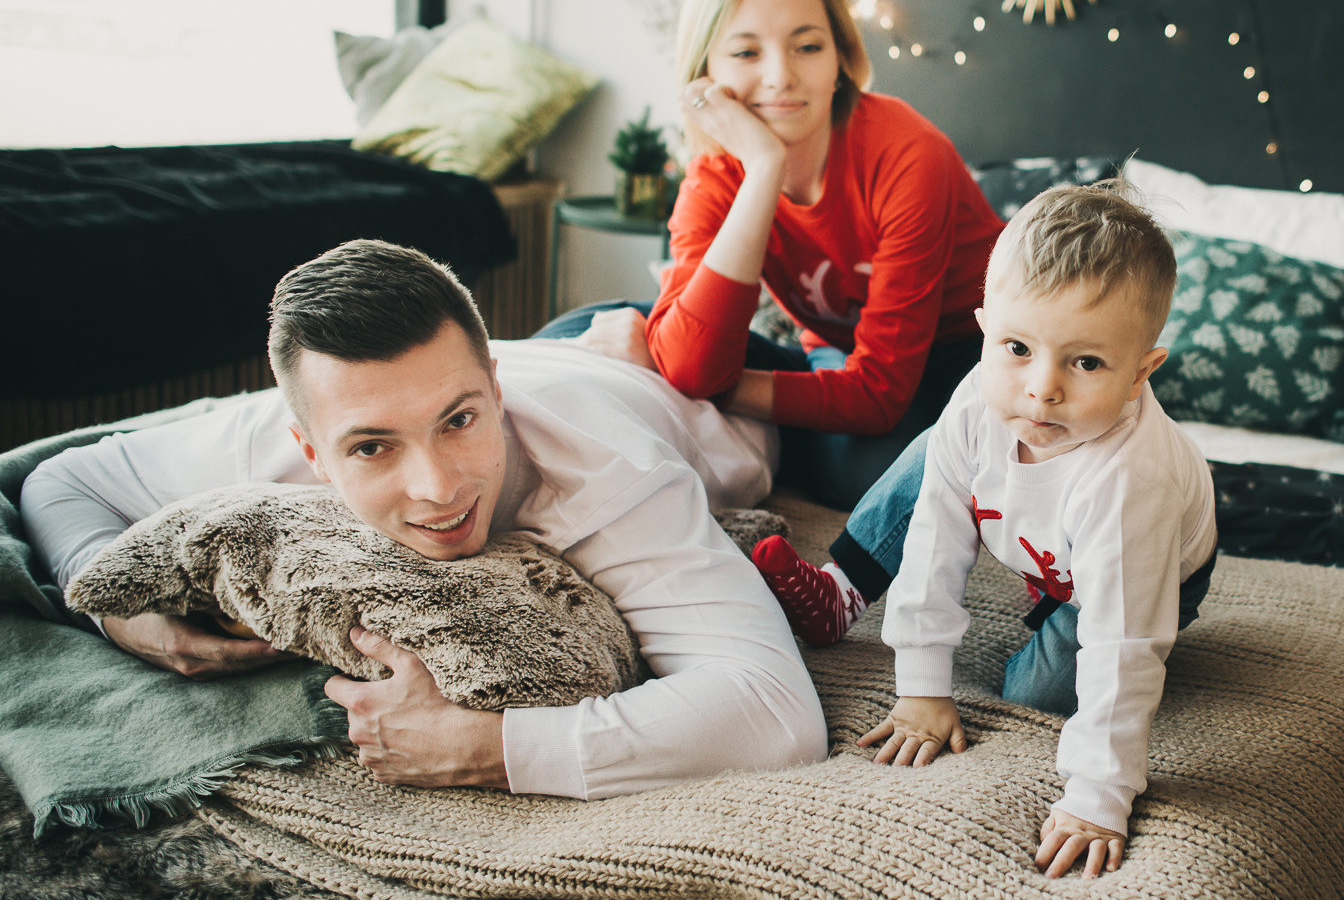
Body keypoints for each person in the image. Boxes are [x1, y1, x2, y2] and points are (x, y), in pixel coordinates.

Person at [21, 240, 825, 798]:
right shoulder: (267, 438)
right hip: (564, 345)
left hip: (711, 379)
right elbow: (62, 479)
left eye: (459, 421)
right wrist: (118, 611)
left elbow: (775, 715)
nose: (437, 488)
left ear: (495, 392)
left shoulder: (616, 477)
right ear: (310, 451)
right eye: (372, 447)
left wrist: (487, 749)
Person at [753, 182, 1218, 880]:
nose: (1042, 388)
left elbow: (1123, 644)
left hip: (1145, 572)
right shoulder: (980, 399)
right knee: (934, 454)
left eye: (1086, 362)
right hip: (1040, 538)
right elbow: (935, 541)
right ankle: (843, 589)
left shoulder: (1131, 483)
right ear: (984, 329)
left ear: (1140, 374)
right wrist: (921, 687)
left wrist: (1099, 797)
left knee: (1036, 697)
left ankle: (1053, 612)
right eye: (1018, 346)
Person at [549, 0, 1005, 510]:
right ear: (705, 73)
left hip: (969, 353)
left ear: (840, 60)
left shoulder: (910, 155)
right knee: (587, 328)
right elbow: (690, 361)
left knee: (863, 476)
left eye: (807, 47)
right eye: (745, 53)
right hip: (839, 351)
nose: (780, 75)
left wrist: (712, 385)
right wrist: (764, 169)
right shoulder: (714, 176)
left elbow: (880, 394)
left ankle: (767, 430)